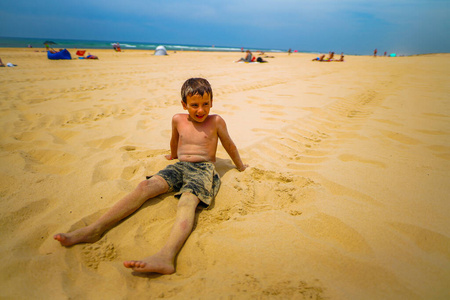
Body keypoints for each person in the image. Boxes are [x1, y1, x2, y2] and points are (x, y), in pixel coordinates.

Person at [54, 78, 248, 275]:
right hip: (180, 166)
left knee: (187, 201)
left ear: (212, 102)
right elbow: (175, 140)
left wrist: (240, 166)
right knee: (144, 188)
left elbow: (229, 145)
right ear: (184, 105)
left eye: (206, 104)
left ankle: (166, 256)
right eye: (194, 105)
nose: (201, 110)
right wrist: (172, 155)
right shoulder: (177, 119)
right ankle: (94, 229)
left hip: (203, 169)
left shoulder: (216, 121)